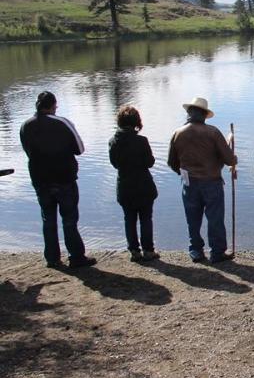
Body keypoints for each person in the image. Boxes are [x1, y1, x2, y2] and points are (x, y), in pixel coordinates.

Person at [19, 91, 97, 269]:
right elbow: (80, 149)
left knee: (48, 219)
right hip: (64, 179)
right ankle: (76, 257)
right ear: (53, 105)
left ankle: (52, 259)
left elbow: (27, 150)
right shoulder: (62, 122)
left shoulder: (25, 126)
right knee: (69, 219)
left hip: (40, 179)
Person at [167, 97, 237, 263]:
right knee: (215, 218)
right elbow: (229, 160)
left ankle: (196, 251)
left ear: (189, 113)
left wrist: (183, 172)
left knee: (193, 218)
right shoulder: (212, 132)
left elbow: (171, 162)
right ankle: (217, 252)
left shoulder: (178, 133)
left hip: (189, 182)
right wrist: (234, 159)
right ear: (204, 115)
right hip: (212, 181)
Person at [109, 105, 159, 262]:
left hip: (125, 186)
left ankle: (134, 251)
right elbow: (150, 163)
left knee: (129, 219)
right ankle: (148, 251)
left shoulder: (113, 142)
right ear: (136, 121)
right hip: (143, 185)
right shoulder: (141, 141)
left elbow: (114, 164)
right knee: (146, 218)